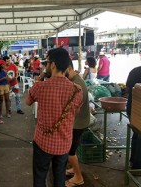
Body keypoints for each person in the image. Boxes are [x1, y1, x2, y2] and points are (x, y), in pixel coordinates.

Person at [25, 47, 83, 187]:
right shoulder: (77, 90)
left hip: (43, 142)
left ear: (53, 65)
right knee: (59, 176)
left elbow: (27, 102)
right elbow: (76, 112)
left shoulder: (40, 87)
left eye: (48, 63)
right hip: (64, 143)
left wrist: (40, 78)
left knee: (40, 176)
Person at [65, 59, 90, 187]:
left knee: (70, 152)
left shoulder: (75, 85)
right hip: (81, 121)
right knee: (72, 149)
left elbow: (74, 108)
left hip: (78, 123)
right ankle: (74, 170)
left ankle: (78, 177)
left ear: (69, 68)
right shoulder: (76, 80)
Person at [126, 58, 141, 170]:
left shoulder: (135, 71)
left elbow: (128, 88)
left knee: (137, 134)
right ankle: (137, 166)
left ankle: (133, 161)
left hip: (132, 109)